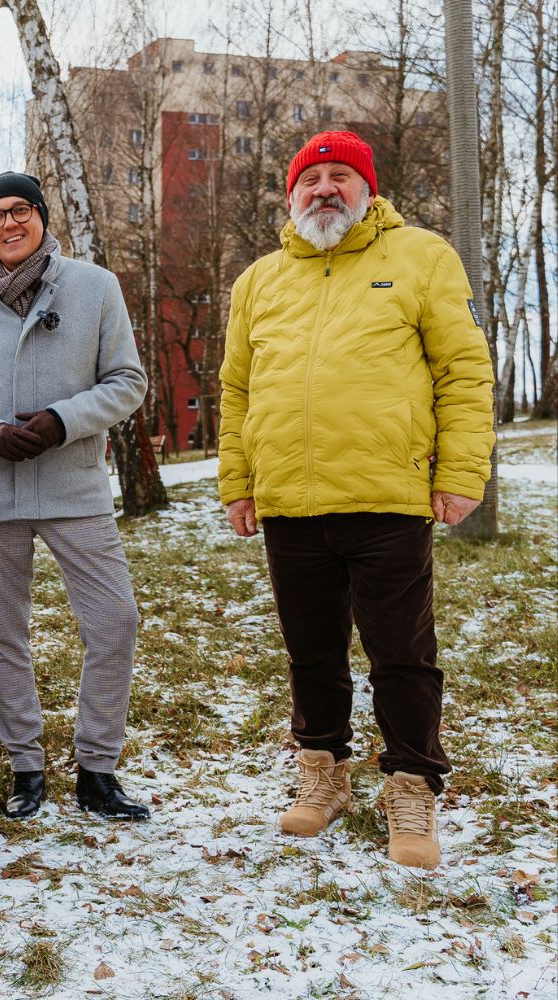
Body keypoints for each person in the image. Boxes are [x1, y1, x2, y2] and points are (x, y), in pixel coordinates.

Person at [218, 131, 494, 869]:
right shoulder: (259, 281)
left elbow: (463, 370)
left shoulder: (421, 258)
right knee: (311, 652)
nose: (325, 190)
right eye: (312, 180)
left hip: (387, 496)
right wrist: (238, 482)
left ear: (367, 188)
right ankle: (322, 773)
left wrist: (461, 471)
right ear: (291, 196)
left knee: (401, 652)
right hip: (290, 502)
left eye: (341, 176)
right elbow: (237, 390)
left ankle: (411, 783)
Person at [0, 171, 151, 822]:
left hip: (74, 485)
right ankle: (26, 766)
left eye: (21, 209)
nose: (9, 223)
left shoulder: (94, 288)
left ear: (43, 217)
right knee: (4, 634)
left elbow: (127, 381)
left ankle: (97, 771)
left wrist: (61, 420)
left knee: (115, 622)